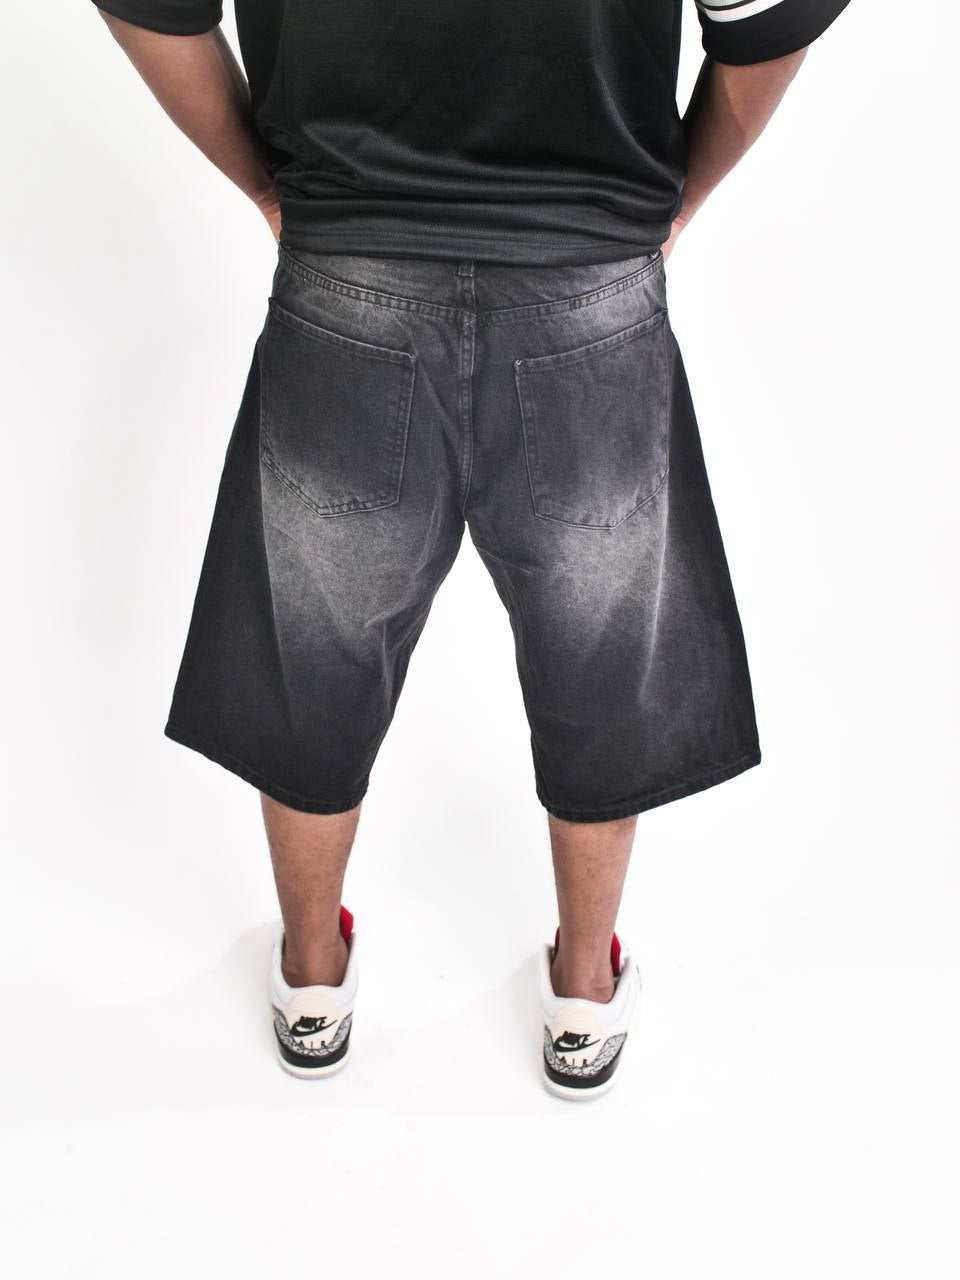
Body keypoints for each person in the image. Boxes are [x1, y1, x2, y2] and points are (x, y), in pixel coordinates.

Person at [93, 0, 852, 1099]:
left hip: (346, 266)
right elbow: (769, 25)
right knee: (600, 659)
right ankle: (584, 990)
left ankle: (312, 977)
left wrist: (269, 185)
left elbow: (146, 10)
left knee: (314, 656)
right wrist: (669, 198)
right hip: (589, 275)